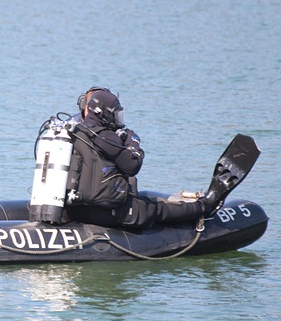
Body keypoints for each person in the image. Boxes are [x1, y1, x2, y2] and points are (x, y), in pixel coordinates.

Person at [65, 88, 221, 228]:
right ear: (104, 112)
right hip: (102, 210)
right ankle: (202, 207)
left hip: (72, 209)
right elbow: (132, 166)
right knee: (154, 209)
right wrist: (132, 141)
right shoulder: (104, 135)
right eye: (116, 113)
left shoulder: (72, 129)